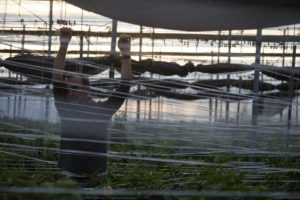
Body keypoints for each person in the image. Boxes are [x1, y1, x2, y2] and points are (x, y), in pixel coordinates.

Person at [52, 27, 132, 177]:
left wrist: (125, 54)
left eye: (75, 88)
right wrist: (63, 46)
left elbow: (124, 87)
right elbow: (57, 79)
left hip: (97, 177)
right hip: (70, 176)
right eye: (68, 89)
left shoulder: (102, 111)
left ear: (87, 89)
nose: (70, 93)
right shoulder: (65, 108)